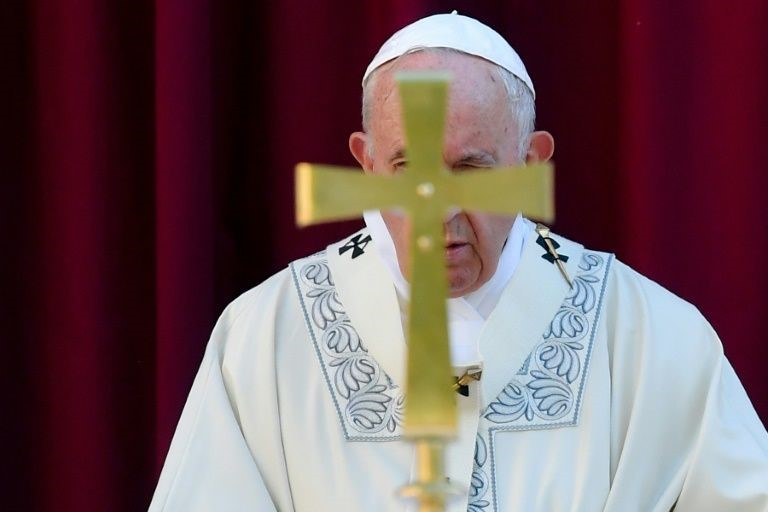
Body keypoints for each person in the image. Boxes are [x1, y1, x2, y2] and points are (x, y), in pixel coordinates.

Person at [149, 12, 768, 512]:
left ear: (530, 163)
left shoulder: (650, 338)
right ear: (367, 164)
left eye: (470, 170)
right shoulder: (265, 339)